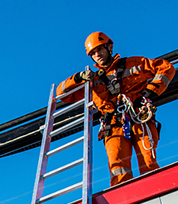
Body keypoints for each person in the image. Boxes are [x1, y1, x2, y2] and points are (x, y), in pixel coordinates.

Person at [57, 32, 175, 186]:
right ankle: (125, 196)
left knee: (148, 161)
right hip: (113, 125)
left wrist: (150, 91)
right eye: (93, 53)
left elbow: (166, 68)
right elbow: (62, 94)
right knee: (118, 168)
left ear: (109, 47)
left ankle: (154, 190)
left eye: (100, 49)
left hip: (140, 117)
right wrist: (78, 78)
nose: (97, 55)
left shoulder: (134, 63)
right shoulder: (92, 81)